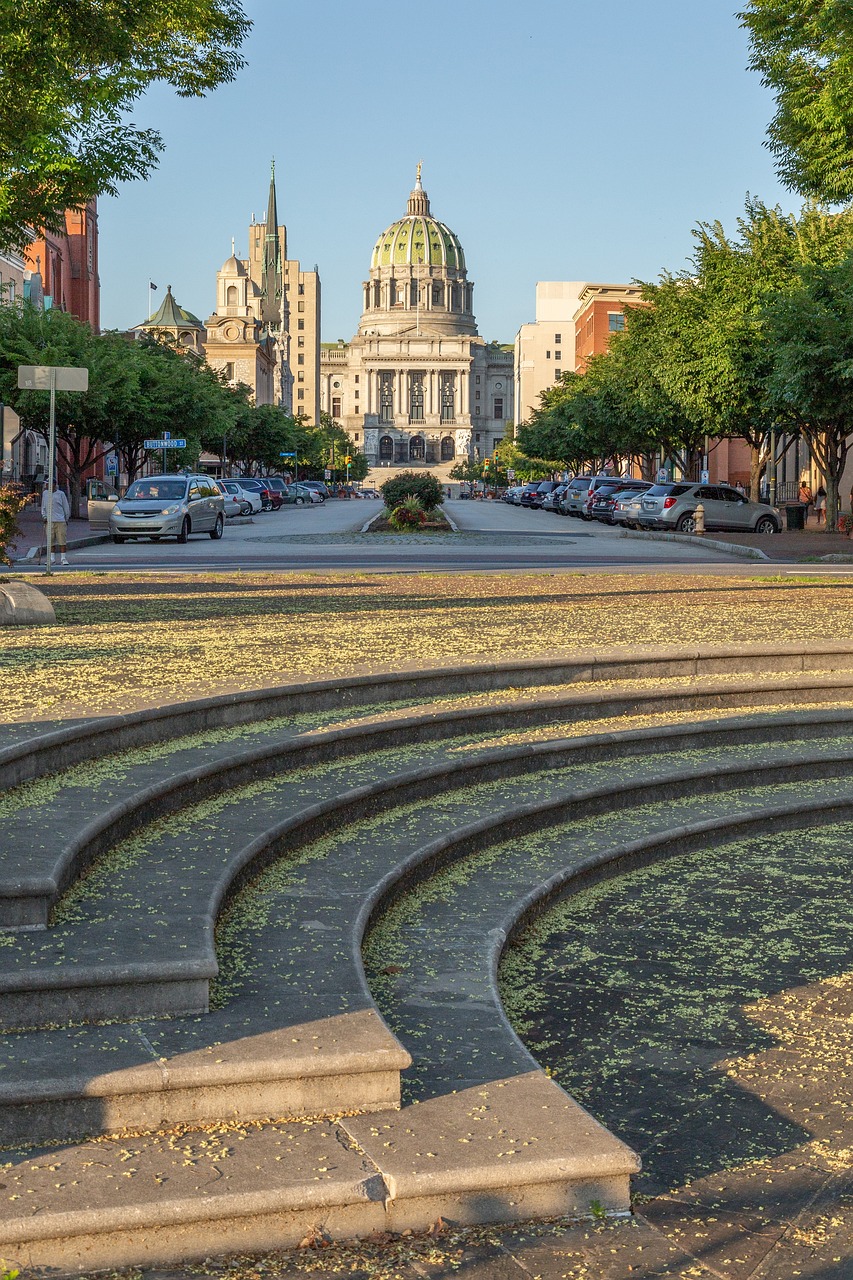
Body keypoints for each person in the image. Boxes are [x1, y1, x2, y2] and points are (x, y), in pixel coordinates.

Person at [40, 484, 71, 564]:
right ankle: (52, 559)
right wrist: (44, 516)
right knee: (50, 540)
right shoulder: (45, 493)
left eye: (48, 484)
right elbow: (43, 506)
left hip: (60, 520)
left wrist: (66, 518)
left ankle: (63, 558)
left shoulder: (61, 494)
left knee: (62, 540)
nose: (47, 486)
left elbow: (65, 506)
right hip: (49, 521)